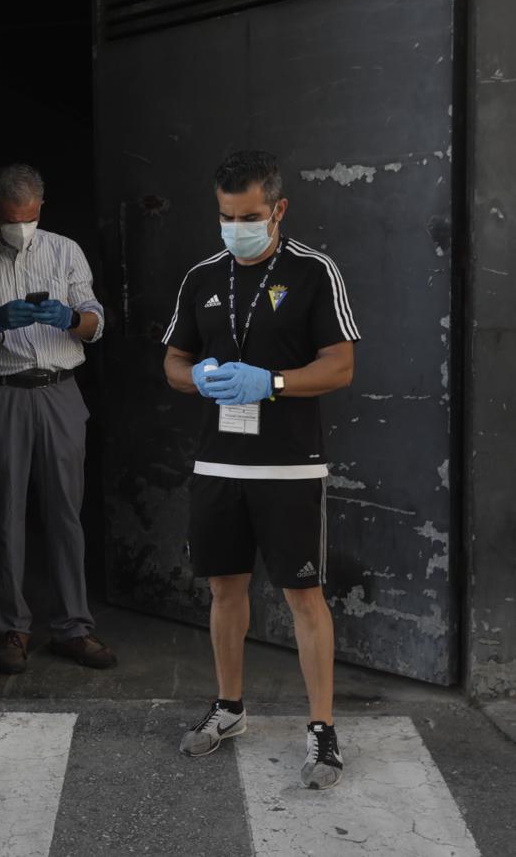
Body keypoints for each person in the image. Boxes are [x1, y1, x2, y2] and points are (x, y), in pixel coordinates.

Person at [161, 150, 360, 789]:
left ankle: (322, 730)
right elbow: (173, 361)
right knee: (224, 588)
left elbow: (340, 366)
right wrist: (195, 377)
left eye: (248, 216)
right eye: (225, 216)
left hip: (289, 466)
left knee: (304, 595)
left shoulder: (313, 271)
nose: (235, 227)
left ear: (277, 209)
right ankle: (229, 708)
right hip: (219, 460)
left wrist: (269, 381)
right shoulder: (200, 277)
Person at [0, 163, 116, 675]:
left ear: (41, 210)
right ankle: (12, 627)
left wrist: (71, 319)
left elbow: (94, 319)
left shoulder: (64, 250)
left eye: (31, 217)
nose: (22, 226)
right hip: (3, 393)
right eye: (13, 218)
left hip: (60, 391)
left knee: (66, 514)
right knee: (6, 515)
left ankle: (73, 628)